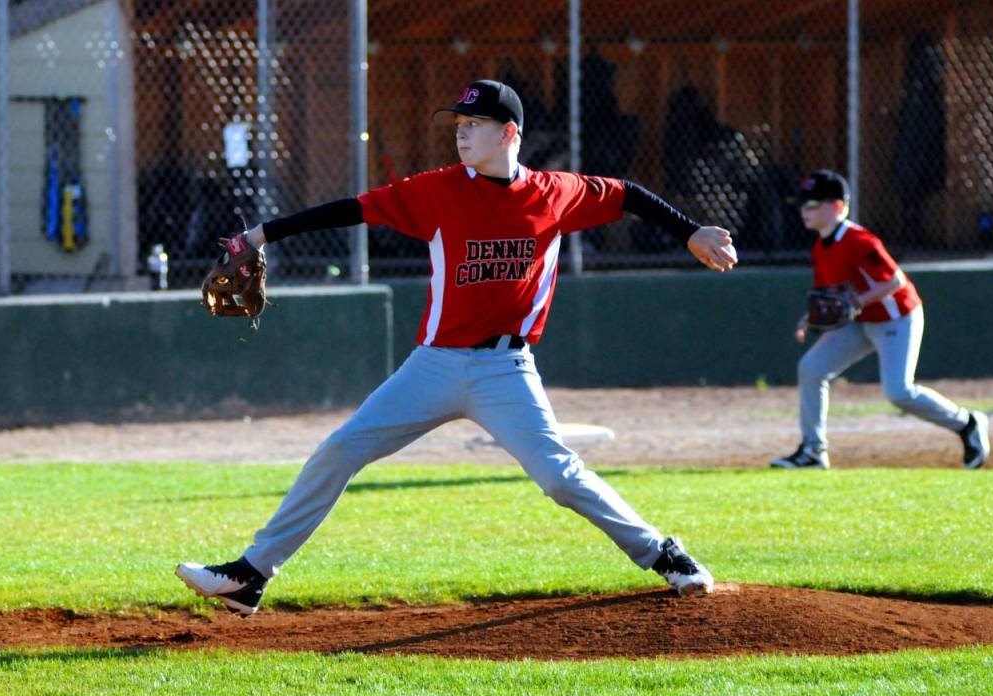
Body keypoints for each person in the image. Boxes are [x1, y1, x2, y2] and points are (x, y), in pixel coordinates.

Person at [176, 79, 737, 615]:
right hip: (434, 365)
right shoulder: (437, 190)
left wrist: (690, 231)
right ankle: (252, 575)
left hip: (506, 369)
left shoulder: (554, 194)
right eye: (458, 123)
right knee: (340, 449)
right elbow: (353, 209)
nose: (461, 132)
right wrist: (258, 236)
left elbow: (628, 195)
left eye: (475, 123)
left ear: (509, 133)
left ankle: (663, 553)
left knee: (560, 479)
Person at [771, 169, 990, 470]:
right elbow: (831, 298)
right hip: (861, 321)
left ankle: (966, 423)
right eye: (802, 205)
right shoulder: (821, 247)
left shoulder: (860, 240)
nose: (803, 211)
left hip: (896, 317)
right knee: (811, 368)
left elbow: (895, 281)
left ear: (836, 206)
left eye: (811, 205)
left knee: (899, 392)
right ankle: (813, 451)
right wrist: (810, 319)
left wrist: (855, 302)